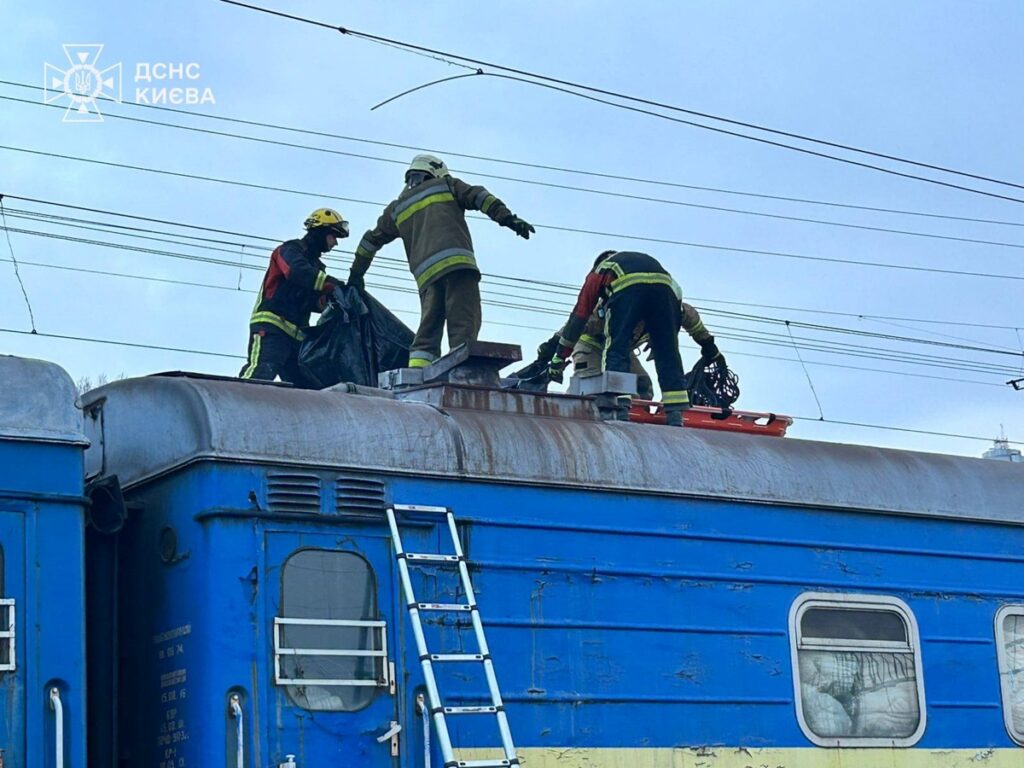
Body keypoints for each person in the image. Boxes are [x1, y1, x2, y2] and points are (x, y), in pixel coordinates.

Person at [348, 154, 534, 368]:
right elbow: (479, 196)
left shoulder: (397, 208)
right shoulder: (446, 185)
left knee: (428, 330)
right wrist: (508, 218)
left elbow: (369, 242)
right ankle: (461, 370)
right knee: (463, 324)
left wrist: (356, 275)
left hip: (427, 278)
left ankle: (417, 372)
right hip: (458, 268)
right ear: (435, 171)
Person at [547, 250, 722, 426]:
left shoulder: (611, 282)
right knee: (591, 388)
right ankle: (593, 415)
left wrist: (710, 348)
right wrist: (554, 352)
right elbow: (575, 325)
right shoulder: (600, 310)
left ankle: (652, 414)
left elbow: (692, 321)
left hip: (622, 349)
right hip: (590, 347)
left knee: (642, 384)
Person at [239, 208, 349, 384]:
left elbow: (309, 299)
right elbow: (297, 272)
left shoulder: (315, 266)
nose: (335, 243)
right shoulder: (290, 250)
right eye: (333, 236)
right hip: (272, 327)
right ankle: (237, 398)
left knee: (305, 388)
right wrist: (333, 285)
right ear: (321, 232)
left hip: (297, 338)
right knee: (260, 373)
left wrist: (328, 301)